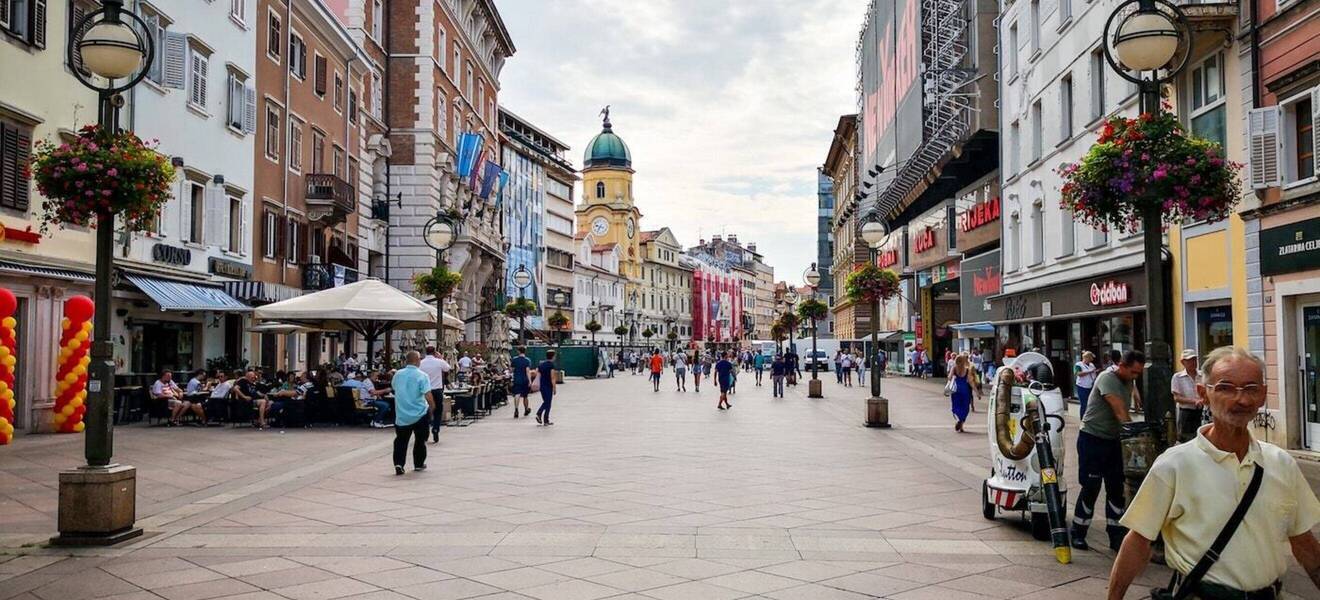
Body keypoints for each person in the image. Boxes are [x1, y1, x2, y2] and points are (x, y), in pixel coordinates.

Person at [1107, 347, 1320, 600]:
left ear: (1262, 395)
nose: (1240, 399)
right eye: (1225, 388)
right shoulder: (1175, 465)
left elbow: (1304, 542)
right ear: (1203, 394)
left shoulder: (1280, 463)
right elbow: (1138, 542)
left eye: (1251, 389)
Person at [1072, 350, 1145, 552]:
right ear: (1121, 365)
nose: (1135, 377)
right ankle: (1078, 532)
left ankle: (1115, 536)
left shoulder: (1128, 380)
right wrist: (1135, 435)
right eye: (1133, 372)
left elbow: (1129, 396)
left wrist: (1136, 393)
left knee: (1116, 489)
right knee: (1091, 486)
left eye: (1138, 374)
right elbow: (1120, 410)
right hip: (1092, 438)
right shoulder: (1107, 378)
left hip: (1113, 440)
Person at [390, 351, 435, 475]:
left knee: (401, 440)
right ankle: (419, 463)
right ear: (417, 360)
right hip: (419, 412)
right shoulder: (422, 375)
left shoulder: (398, 374)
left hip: (402, 414)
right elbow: (428, 394)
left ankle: (399, 463)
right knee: (420, 440)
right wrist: (432, 408)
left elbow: (394, 387)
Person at [419, 346, 451, 442]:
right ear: (434, 352)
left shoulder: (421, 362)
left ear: (426, 352)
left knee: (425, 411)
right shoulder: (438, 361)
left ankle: (425, 431)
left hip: (425, 390)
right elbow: (447, 368)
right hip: (437, 389)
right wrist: (441, 358)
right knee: (438, 410)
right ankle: (436, 428)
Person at [1172, 348, 1204, 443]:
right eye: (1189, 360)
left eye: (1194, 359)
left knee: (1202, 436)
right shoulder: (1177, 377)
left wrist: (1202, 400)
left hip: (1202, 411)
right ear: (1183, 362)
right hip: (1186, 412)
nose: (1193, 362)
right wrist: (1194, 401)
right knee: (1186, 438)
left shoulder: (1202, 375)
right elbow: (1177, 397)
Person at [947, 354, 980, 432]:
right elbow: (971, 382)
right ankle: (961, 424)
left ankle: (959, 420)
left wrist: (954, 377)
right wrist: (977, 392)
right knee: (965, 407)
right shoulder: (967, 370)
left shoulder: (954, 368)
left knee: (956, 406)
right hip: (965, 390)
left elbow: (949, 377)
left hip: (956, 390)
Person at [535, 350, 557, 425]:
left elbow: (537, 374)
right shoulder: (551, 365)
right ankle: (539, 413)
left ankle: (546, 420)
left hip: (542, 385)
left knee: (547, 402)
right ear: (553, 356)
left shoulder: (541, 365)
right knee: (548, 402)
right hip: (548, 386)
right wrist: (554, 387)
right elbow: (552, 377)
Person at [1074, 351, 1098, 417]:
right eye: (1090, 358)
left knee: (1091, 403)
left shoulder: (1091, 365)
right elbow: (1078, 374)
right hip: (1082, 386)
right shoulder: (1078, 365)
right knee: (1084, 404)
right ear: (1086, 358)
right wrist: (1090, 371)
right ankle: (1083, 418)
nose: (1091, 360)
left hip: (1090, 386)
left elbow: (1094, 373)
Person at [510, 347, 533, 418]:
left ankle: (516, 409)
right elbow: (527, 371)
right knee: (525, 396)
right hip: (525, 380)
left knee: (517, 394)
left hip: (517, 379)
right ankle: (526, 409)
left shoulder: (514, 359)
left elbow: (512, 370)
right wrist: (530, 381)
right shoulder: (527, 360)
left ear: (518, 351)